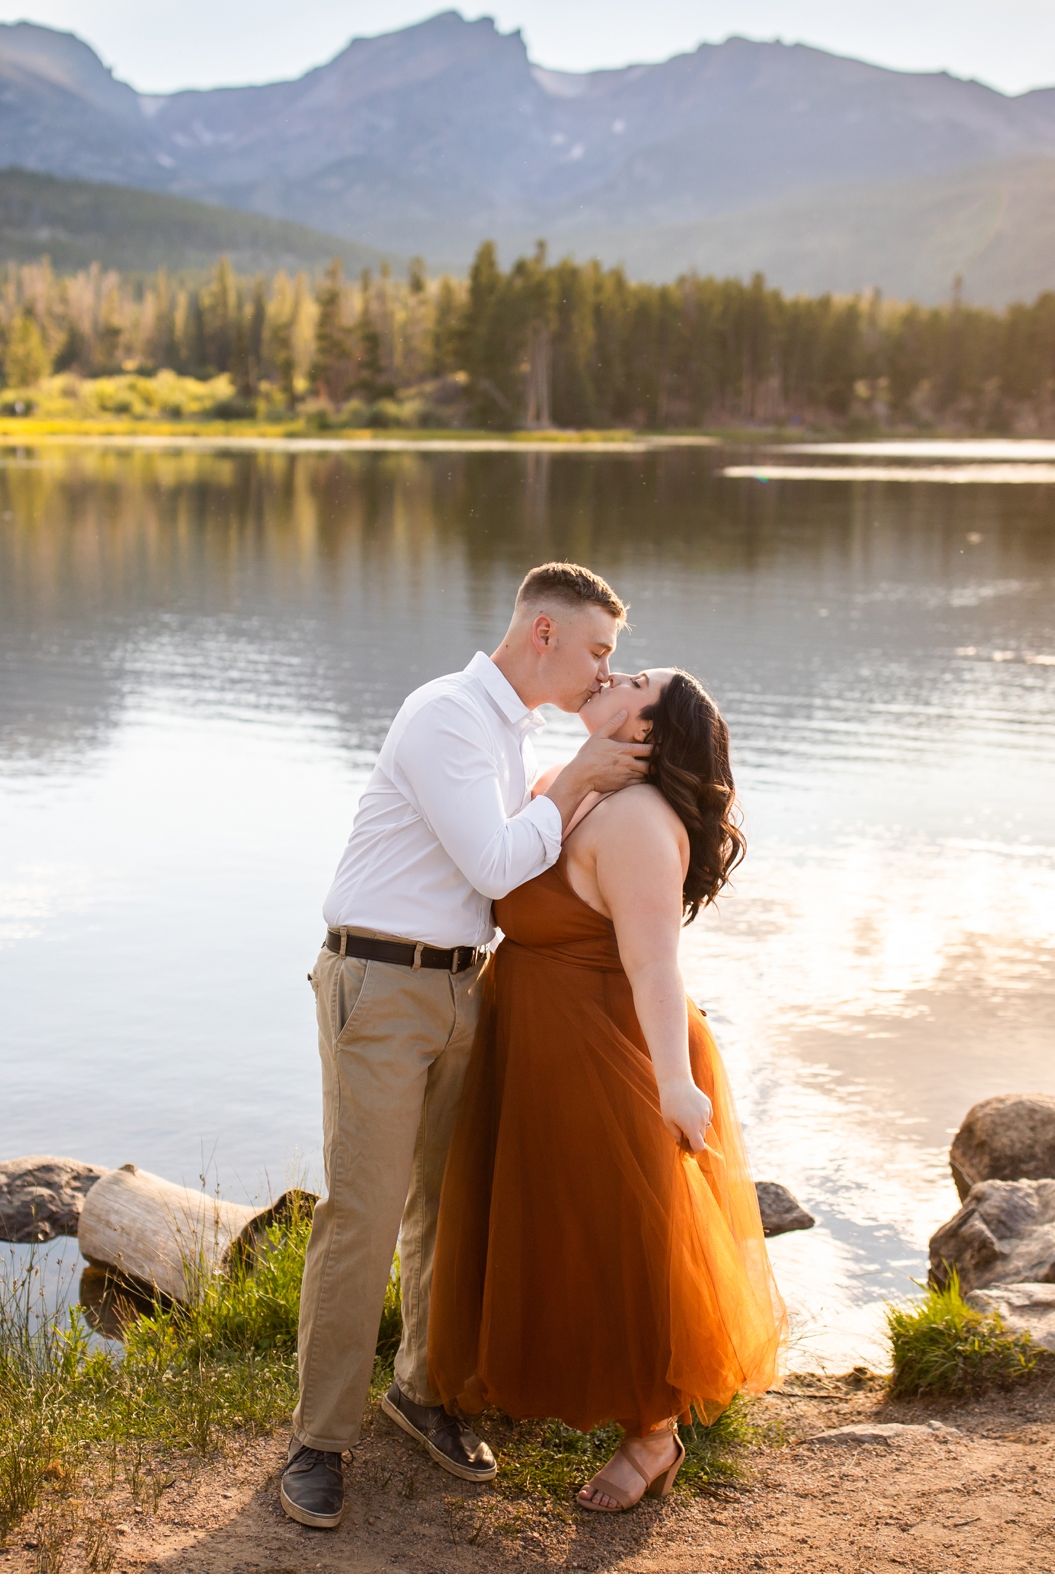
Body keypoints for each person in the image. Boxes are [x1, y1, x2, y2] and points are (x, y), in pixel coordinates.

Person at [282, 562, 651, 1530]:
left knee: (446, 1205)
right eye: (597, 651)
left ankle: (421, 1391)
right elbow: (493, 860)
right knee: (361, 1211)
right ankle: (319, 1441)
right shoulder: (446, 714)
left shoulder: (514, 733)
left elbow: (519, 873)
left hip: (464, 984)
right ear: (542, 634)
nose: (603, 669)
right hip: (382, 984)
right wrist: (576, 779)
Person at [425, 666, 784, 1513]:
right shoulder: (564, 783)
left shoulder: (639, 823)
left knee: (620, 1234)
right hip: (535, 1040)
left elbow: (657, 964)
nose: (615, 671)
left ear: (649, 735)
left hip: (609, 1046)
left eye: (637, 679)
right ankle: (540, 1383)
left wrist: (673, 1084)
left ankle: (653, 1435)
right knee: (546, 1220)